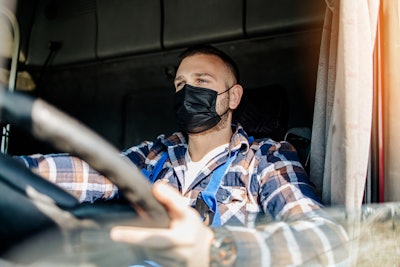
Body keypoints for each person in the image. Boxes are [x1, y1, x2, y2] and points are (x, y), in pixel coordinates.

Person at [15, 45, 349, 266]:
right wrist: (17, 170)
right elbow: (86, 171)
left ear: (232, 97)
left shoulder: (265, 158)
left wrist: (215, 250)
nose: (187, 91)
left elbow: (323, 236)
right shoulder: (153, 154)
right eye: (179, 84)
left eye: (201, 80)